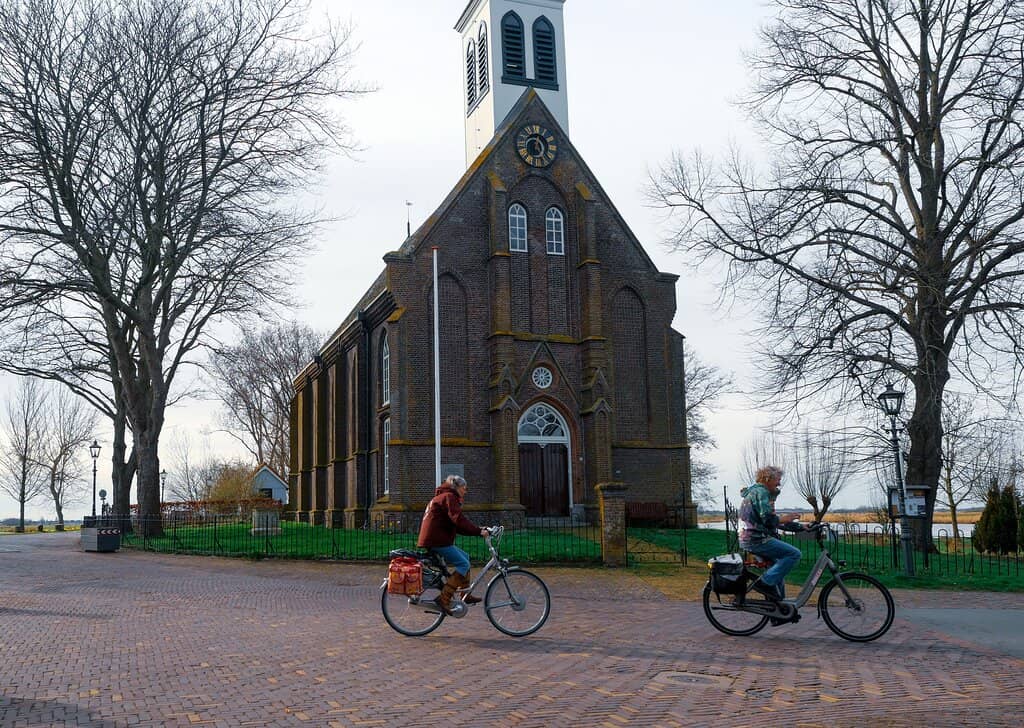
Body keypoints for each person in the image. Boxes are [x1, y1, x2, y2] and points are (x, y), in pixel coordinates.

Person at [417, 474, 489, 614]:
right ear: (457, 487)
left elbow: (457, 524)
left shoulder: (444, 496)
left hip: (435, 538)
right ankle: (443, 598)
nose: (465, 491)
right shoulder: (449, 497)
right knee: (463, 564)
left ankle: (464, 594)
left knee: (465, 558)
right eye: (464, 488)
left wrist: (477, 530)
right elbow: (459, 520)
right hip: (437, 540)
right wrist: (478, 531)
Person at [738, 465, 805, 601]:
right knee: (794, 554)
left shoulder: (755, 492)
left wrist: (801, 527)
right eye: (778, 480)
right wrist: (787, 517)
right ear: (768, 479)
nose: (779, 484)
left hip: (751, 538)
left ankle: (777, 609)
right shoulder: (761, 493)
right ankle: (765, 583)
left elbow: (773, 522)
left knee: (777, 570)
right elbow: (769, 520)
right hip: (756, 539)